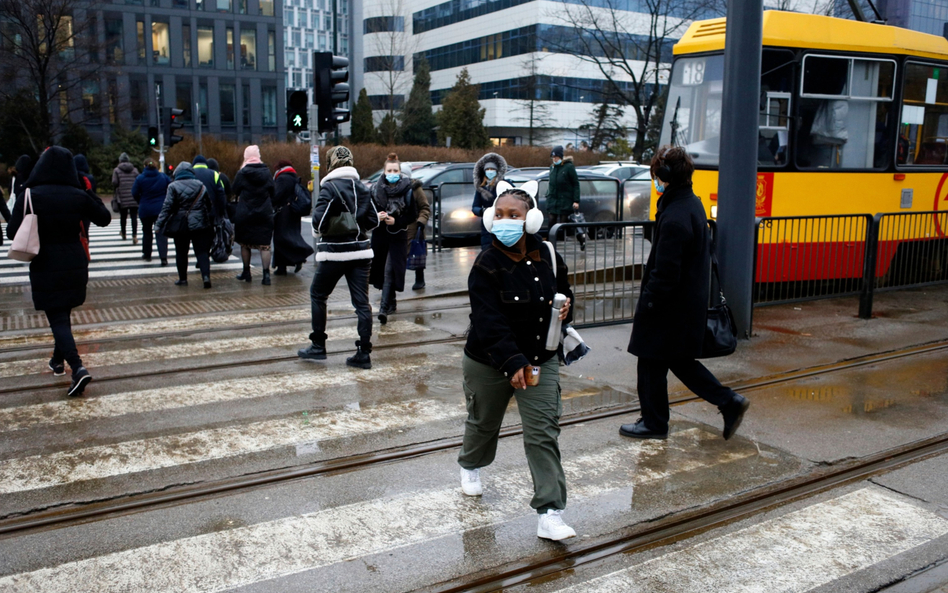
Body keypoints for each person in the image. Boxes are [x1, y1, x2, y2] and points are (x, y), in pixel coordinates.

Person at [458, 186, 577, 541]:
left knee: (543, 433)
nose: (505, 221)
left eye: (515, 215)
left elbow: (565, 292)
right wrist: (512, 363)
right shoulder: (485, 265)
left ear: (532, 219)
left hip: (542, 358)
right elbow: (488, 321)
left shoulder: (549, 255)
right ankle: (471, 464)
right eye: (500, 214)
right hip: (489, 361)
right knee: (483, 422)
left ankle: (550, 512)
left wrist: (567, 306)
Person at [620, 146, 750, 441]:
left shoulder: (676, 216)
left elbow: (666, 273)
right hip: (683, 306)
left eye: (656, 174)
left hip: (668, 308)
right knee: (678, 362)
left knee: (651, 361)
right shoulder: (690, 203)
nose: (655, 180)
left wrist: (648, 304)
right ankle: (728, 401)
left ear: (664, 176)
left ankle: (655, 423)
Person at [6, 147, 111, 397]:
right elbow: (105, 218)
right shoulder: (77, 194)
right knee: (62, 313)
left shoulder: (30, 194)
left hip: (45, 262)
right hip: (74, 260)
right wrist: (87, 191)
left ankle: (77, 368)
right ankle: (56, 360)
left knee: (57, 316)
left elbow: (12, 233)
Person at [298, 146, 379, 369]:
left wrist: (331, 225)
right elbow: (373, 221)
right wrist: (356, 223)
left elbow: (317, 222)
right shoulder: (363, 188)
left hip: (334, 253)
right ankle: (363, 353)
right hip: (361, 253)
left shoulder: (330, 188)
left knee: (318, 294)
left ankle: (318, 346)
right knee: (362, 304)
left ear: (330, 164)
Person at [370, 152, 417, 325]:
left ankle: (383, 310)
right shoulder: (375, 189)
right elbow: (368, 213)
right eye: (389, 170)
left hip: (398, 236)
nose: (392, 173)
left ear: (400, 171)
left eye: (395, 170)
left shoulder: (408, 190)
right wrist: (378, 216)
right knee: (382, 270)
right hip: (380, 236)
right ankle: (391, 302)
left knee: (390, 270)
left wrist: (396, 221)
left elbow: (413, 215)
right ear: (384, 171)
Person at [155, 162, 215, 289]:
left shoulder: (173, 186)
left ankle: (183, 279)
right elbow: (208, 204)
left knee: (181, 252)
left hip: (181, 225)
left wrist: (159, 224)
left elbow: (167, 207)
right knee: (202, 252)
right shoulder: (200, 186)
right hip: (200, 224)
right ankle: (206, 277)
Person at [232, 145, 275, 286]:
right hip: (264, 213)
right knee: (265, 246)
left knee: (245, 244)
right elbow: (273, 191)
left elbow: (234, 190)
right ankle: (266, 276)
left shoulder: (242, 173)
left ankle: (246, 272)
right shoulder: (267, 172)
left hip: (245, 213)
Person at [272, 159, 314, 275]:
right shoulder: (292, 176)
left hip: (283, 212)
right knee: (291, 235)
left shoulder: (282, 178)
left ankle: (289, 263)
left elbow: (277, 195)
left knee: (280, 238)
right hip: (293, 211)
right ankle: (287, 264)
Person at [133, 159, 172, 265]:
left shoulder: (140, 178)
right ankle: (163, 257)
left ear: (145, 166)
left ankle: (147, 254)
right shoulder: (163, 177)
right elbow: (171, 189)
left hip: (145, 209)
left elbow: (134, 192)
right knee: (161, 233)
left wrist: (141, 201)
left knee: (146, 232)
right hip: (160, 209)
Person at [402, 162, 430, 290]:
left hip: (413, 228)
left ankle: (420, 279)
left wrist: (421, 221)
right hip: (398, 227)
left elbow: (425, 207)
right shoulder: (392, 188)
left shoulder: (416, 189)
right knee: (396, 257)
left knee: (416, 254)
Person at [472, 153, 507, 251]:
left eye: (492, 169)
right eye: (487, 169)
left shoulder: (504, 184)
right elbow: (475, 207)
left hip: (502, 221)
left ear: (497, 171)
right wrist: (483, 211)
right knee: (487, 250)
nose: (490, 171)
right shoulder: (481, 188)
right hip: (487, 223)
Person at [544, 145, 580, 234]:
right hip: (553, 199)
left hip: (565, 200)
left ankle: (570, 238)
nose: (554, 159)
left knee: (564, 222)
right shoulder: (552, 167)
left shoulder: (569, 167)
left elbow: (575, 184)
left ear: (560, 156)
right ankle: (551, 240)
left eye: (556, 157)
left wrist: (576, 200)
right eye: (553, 157)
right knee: (551, 220)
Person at [112, 153, 141, 243]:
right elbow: (139, 181)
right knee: (134, 217)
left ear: (120, 160)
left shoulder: (116, 170)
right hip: (133, 196)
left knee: (123, 216)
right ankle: (134, 235)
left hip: (122, 196)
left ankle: (124, 233)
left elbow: (114, 182)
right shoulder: (135, 170)